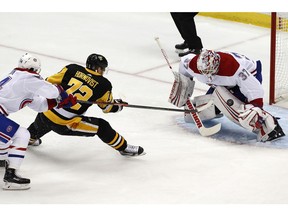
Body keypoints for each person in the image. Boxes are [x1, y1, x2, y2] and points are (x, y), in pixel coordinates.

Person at [27, 53, 145, 157]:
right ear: (98, 69)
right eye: (103, 69)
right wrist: (118, 106)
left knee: (43, 122)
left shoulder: (71, 68)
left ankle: (29, 139)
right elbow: (107, 108)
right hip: (65, 124)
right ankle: (124, 148)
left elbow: (48, 82)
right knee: (102, 126)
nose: (103, 72)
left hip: (46, 112)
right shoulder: (104, 84)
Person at [169, 49, 285, 142]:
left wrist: (256, 106)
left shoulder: (233, 68)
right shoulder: (192, 63)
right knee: (196, 112)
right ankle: (218, 107)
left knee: (244, 112)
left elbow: (254, 88)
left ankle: (270, 127)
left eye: (211, 73)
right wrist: (183, 87)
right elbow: (183, 65)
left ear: (217, 65)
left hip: (251, 76)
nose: (208, 77)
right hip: (226, 83)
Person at [0, 53, 77, 190]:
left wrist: (58, 103)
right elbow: (52, 91)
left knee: (7, 137)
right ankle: (10, 177)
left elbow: (39, 105)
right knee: (22, 135)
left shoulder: (19, 79)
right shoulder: (27, 77)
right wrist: (62, 96)